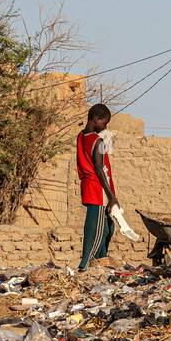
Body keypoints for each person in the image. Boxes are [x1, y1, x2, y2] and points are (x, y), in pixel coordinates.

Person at [76, 104, 118, 272]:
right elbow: (100, 168)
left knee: (108, 225)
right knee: (97, 229)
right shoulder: (98, 141)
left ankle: (101, 259)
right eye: (105, 123)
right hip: (98, 189)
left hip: (89, 186)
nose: (106, 127)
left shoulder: (81, 136)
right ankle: (86, 263)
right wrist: (112, 196)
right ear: (96, 120)